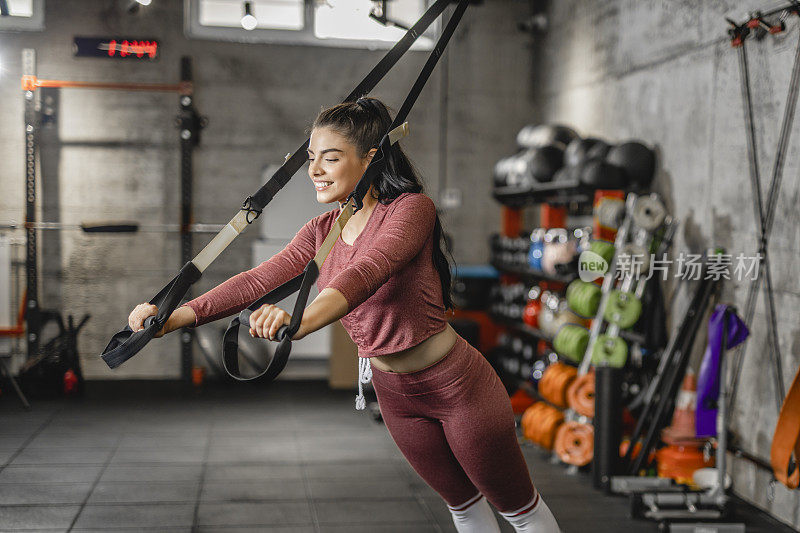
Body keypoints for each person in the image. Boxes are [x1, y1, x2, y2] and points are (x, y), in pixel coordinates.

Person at [128, 97, 560, 533]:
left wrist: (299, 322)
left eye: (329, 158)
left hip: (457, 387)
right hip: (396, 396)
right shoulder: (320, 230)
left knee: (518, 512)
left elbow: (367, 273)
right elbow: (258, 280)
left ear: (370, 159)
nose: (314, 170)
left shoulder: (410, 210)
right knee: (463, 507)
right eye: (311, 158)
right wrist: (175, 315)